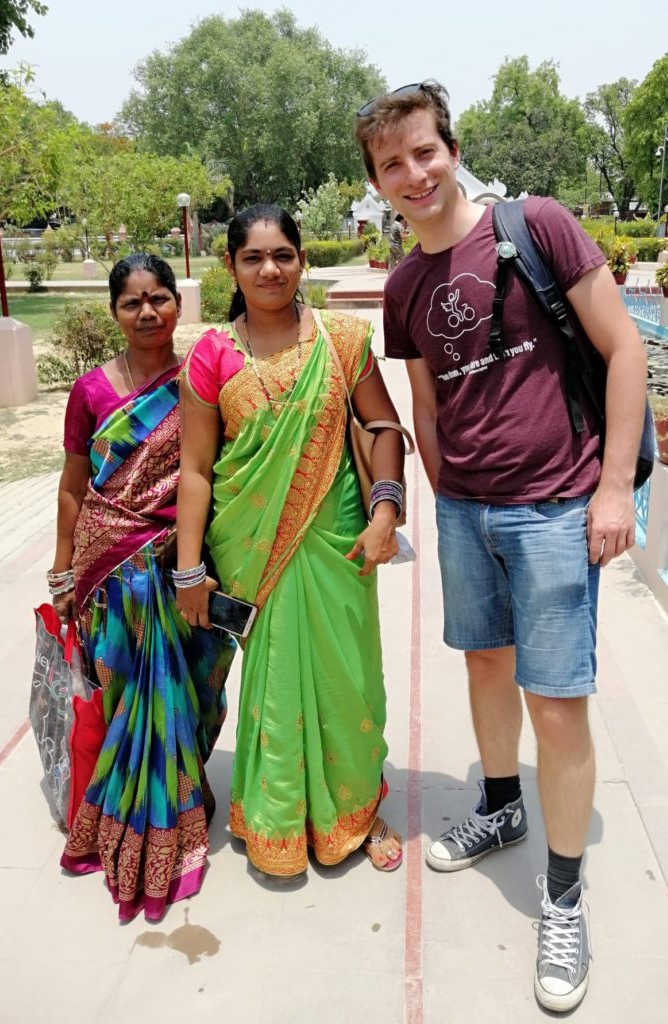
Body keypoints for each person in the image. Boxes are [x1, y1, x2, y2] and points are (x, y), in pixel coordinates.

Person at [355, 81, 647, 1011]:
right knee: (485, 666)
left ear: (450, 147)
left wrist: (610, 489)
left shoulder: (537, 225)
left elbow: (627, 348)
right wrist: (449, 502)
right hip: (469, 514)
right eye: (391, 163)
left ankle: (563, 897)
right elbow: (429, 403)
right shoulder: (404, 286)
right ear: (376, 180)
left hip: (560, 506)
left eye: (424, 151)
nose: (413, 173)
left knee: (557, 705)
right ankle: (499, 804)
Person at [175, 204, 407, 876]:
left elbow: (385, 429)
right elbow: (195, 469)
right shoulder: (212, 357)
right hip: (255, 551)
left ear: (302, 260)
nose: (269, 269)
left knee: (349, 683)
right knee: (273, 684)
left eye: (282, 255)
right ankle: (275, 816)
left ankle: (356, 813)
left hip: (338, 544)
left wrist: (385, 510)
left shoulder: (342, 339)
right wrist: (190, 570)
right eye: (253, 258)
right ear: (232, 267)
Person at [49, 253, 236, 922]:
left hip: (184, 565)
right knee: (129, 697)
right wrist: (63, 568)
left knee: (197, 685)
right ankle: (143, 816)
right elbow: (74, 487)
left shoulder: (202, 379)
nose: (148, 311)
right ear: (114, 313)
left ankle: (181, 788)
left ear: (177, 307)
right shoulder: (92, 391)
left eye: (159, 298)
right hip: (110, 571)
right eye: (132, 302)